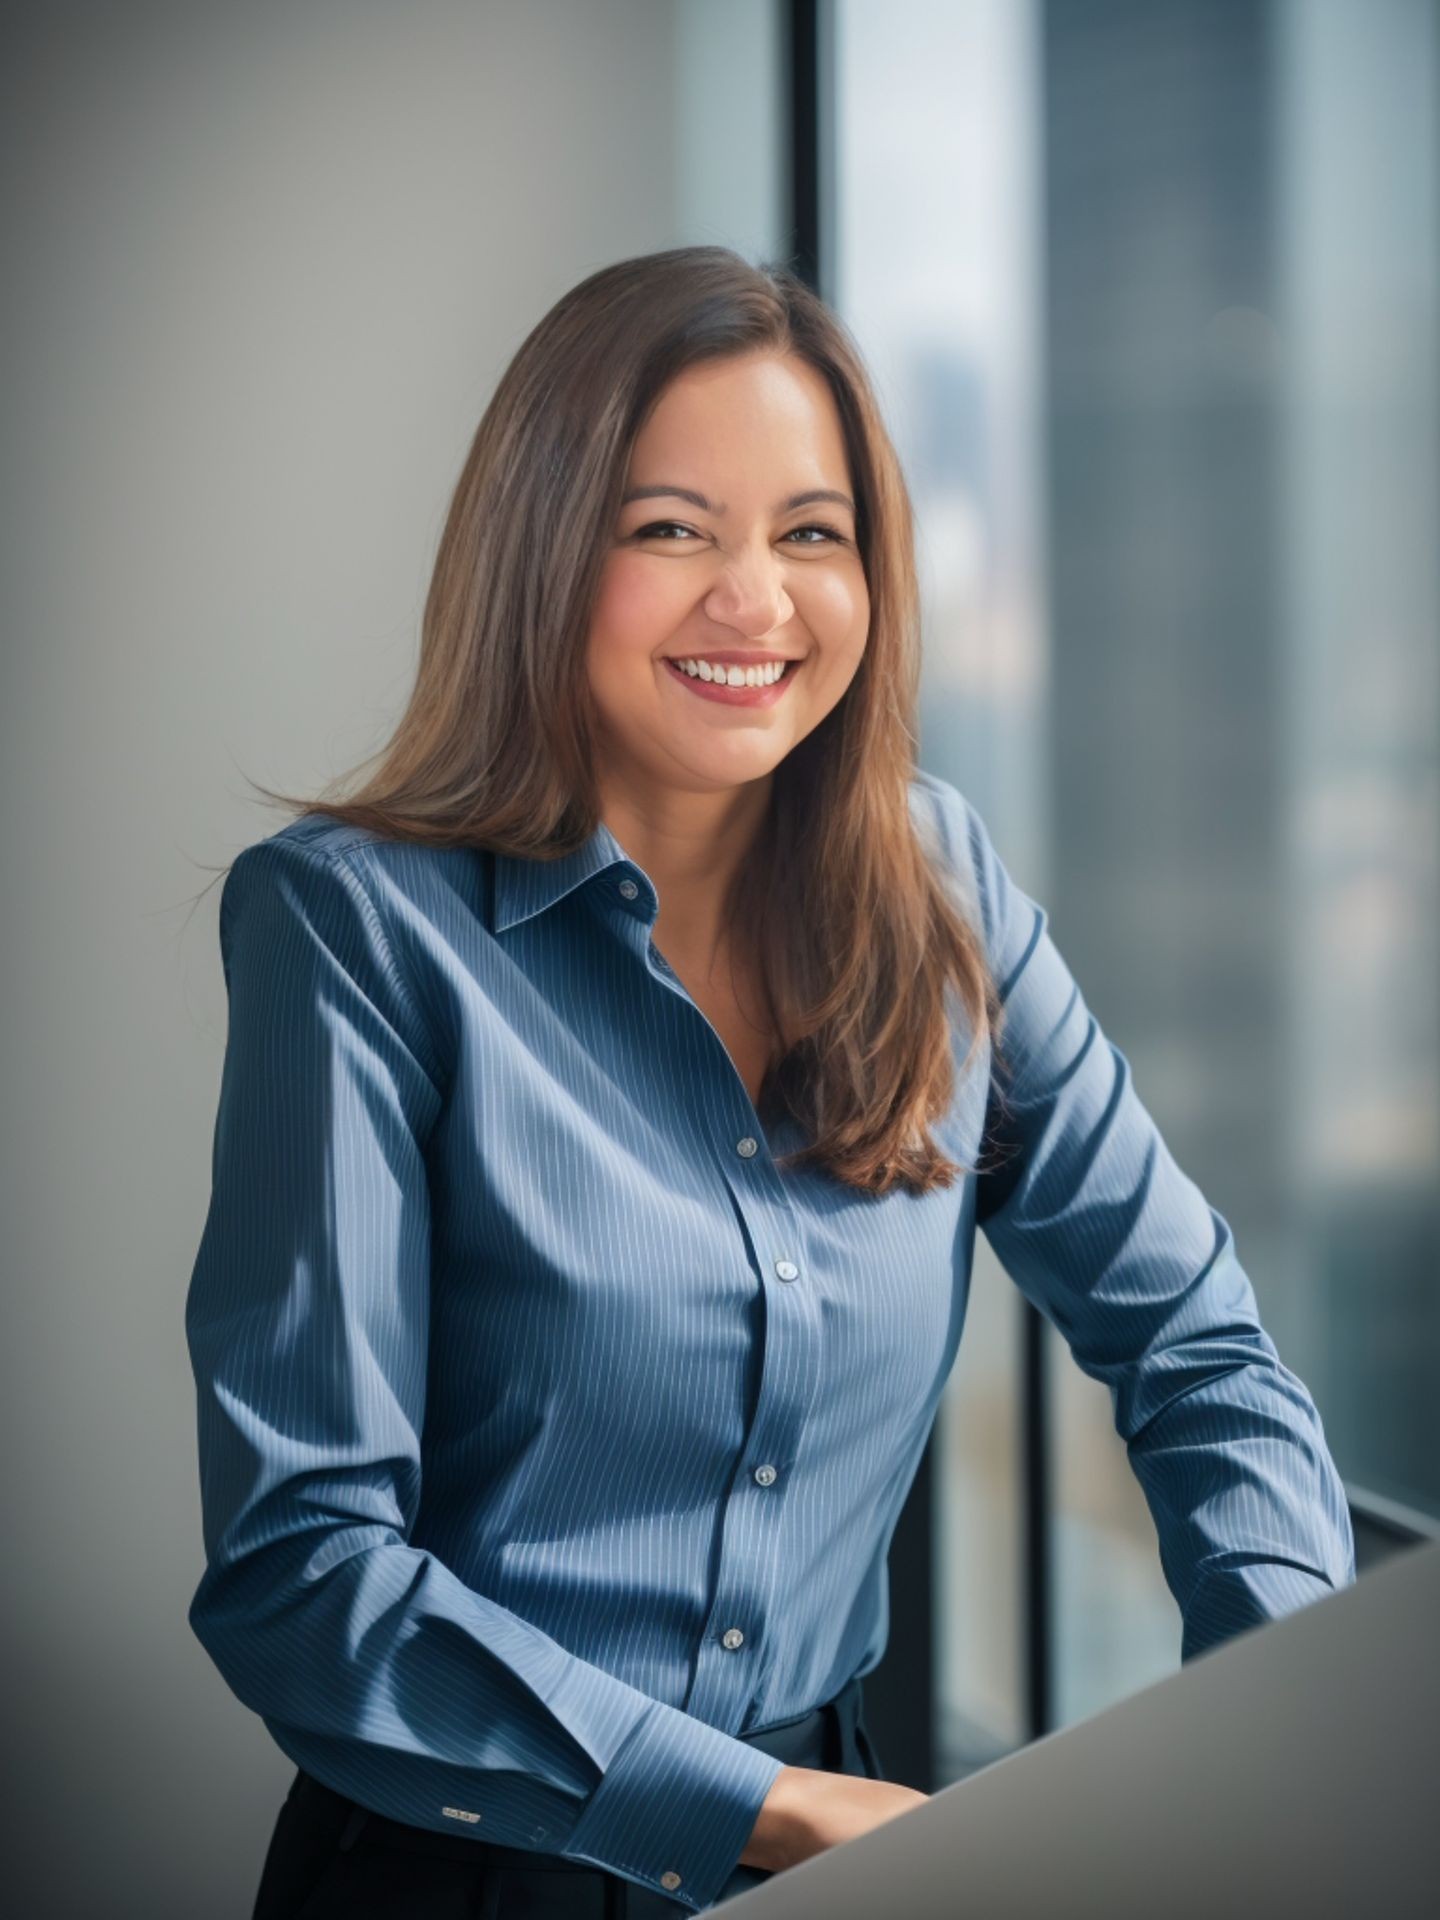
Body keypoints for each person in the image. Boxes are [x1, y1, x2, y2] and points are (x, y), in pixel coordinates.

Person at [184, 246, 1355, 1919]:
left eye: (814, 533)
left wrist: (1274, 1718)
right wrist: (775, 1811)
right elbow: (305, 1574)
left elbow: (1197, 1343)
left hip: (848, 1857)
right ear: (543, 553)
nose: (758, 600)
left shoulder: (942, 887)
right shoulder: (355, 932)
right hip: (468, 1878)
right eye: (671, 530)